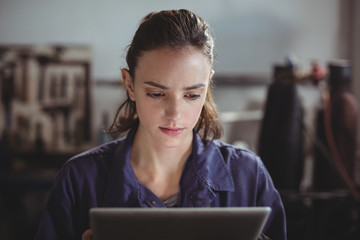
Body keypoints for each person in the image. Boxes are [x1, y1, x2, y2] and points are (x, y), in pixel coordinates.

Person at [35, 9, 287, 240]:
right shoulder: (79, 179)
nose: (174, 113)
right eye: (157, 94)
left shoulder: (247, 174)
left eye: (191, 95)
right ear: (130, 84)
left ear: (208, 85)